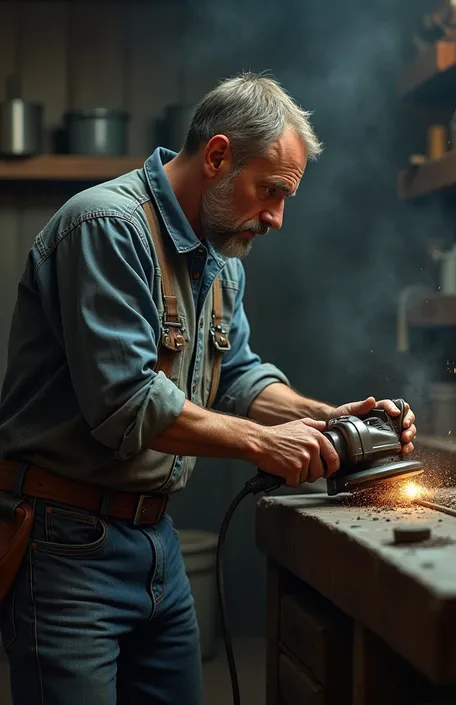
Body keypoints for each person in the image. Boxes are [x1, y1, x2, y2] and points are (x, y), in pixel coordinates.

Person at [0, 72, 416, 705]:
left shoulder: (220, 260)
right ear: (218, 156)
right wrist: (265, 446)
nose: (276, 218)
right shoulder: (106, 228)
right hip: (66, 551)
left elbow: (240, 377)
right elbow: (126, 406)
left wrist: (330, 417)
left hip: (157, 545)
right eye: (270, 192)